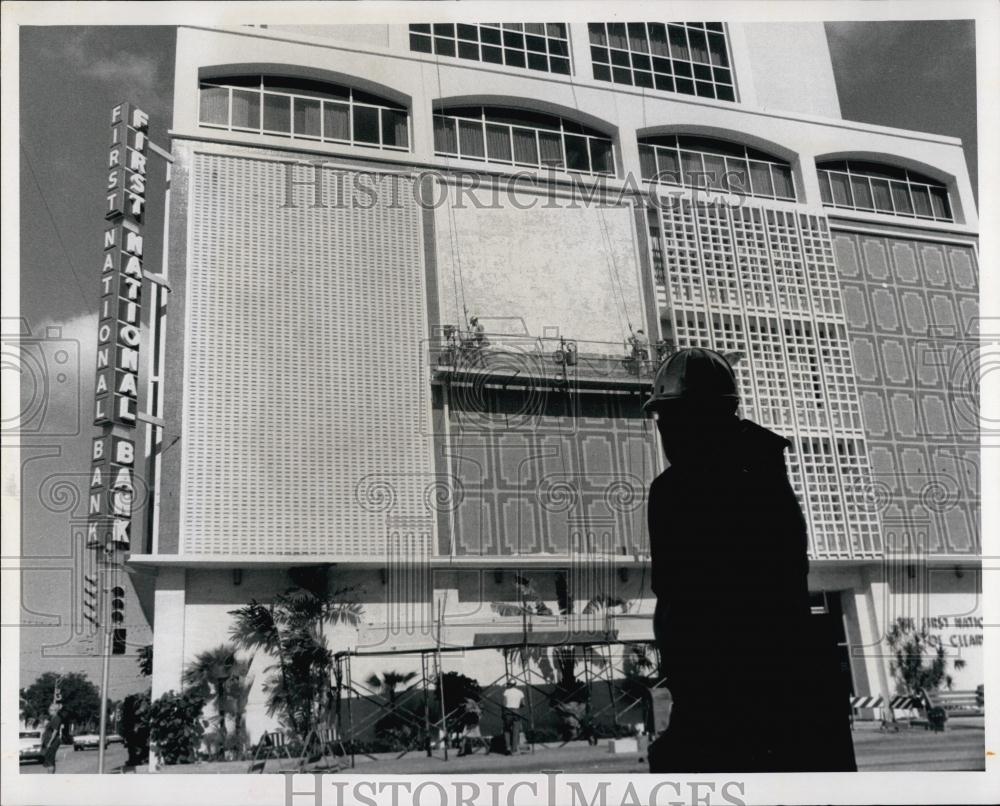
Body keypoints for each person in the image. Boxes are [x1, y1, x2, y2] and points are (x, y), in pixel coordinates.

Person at [643, 347, 856, 773]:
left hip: (722, 697)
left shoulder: (675, 491)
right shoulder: (767, 473)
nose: (664, 429)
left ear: (690, 419)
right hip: (792, 689)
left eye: (667, 417)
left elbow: (677, 600)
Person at [501, 679, 525, 755]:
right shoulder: (520, 692)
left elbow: (504, 703)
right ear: (515, 684)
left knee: (506, 730)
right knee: (516, 731)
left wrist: (503, 713)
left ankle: (507, 747)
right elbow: (523, 704)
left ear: (509, 685)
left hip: (508, 712)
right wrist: (517, 705)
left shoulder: (506, 692)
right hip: (516, 711)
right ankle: (514, 749)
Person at [41, 703, 62, 774]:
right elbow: (46, 729)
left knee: (50, 760)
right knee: (49, 760)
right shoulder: (51, 718)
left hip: (53, 742)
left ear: (55, 711)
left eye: (51, 710)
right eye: (49, 710)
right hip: (48, 741)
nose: (49, 711)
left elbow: (55, 732)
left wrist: (50, 742)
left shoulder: (57, 719)